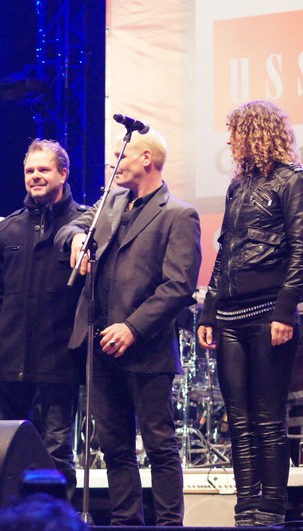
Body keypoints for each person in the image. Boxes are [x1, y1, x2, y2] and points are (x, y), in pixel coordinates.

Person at [56, 128, 201, 526]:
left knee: (159, 445)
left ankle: (168, 524)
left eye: (121, 155)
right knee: (115, 447)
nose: (112, 163)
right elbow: (71, 226)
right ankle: (125, 523)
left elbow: (178, 286)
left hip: (146, 348)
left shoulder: (178, 214)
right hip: (99, 343)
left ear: (146, 159)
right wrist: (74, 239)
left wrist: (133, 328)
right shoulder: (111, 203)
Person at [197, 101, 303, 527]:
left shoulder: (291, 181)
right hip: (230, 315)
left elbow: (300, 249)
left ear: (255, 132)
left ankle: (272, 508)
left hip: (268, 313)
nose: (229, 141)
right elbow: (224, 252)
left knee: (268, 418)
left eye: (235, 132)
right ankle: (246, 508)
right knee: (238, 420)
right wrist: (208, 312)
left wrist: (285, 311)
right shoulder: (237, 187)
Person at [0, 139, 87, 491]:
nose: (35, 176)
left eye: (43, 169)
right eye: (30, 170)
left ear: (63, 173)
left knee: (57, 453)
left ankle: (58, 517)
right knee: (8, 455)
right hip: (8, 362)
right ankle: (13, 517)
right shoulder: (10, 228)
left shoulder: (83, 225)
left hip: (59, 363)